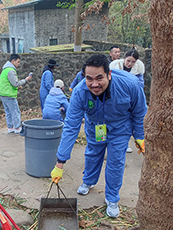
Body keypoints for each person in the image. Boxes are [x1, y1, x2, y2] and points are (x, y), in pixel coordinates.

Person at [50, 54, 147, 218]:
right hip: (96, 127)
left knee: (115, 162)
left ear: (109, 74)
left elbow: (139, 112)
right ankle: (88, 181)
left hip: (120, 128)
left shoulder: (130, 84)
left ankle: (112, 198)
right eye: (89, 78)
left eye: (99, 78)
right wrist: (60, 162)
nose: (94, 84)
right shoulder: (80, 92)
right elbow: (71, 126)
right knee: (93, 154)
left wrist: (139, 136)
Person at [110, 48, 145, 153]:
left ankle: (125, 143)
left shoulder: (138, 71)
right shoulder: (114, 68)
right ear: (124, 58)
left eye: (133, 62)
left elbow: (140, 86)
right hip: (117, 99)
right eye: (128, 61)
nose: (130, 64)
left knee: (128, 122)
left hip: (131, 100)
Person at [0, 54, 32, 134]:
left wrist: (17, 87)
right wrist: (26, 80)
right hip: (9, 95)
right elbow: (15, 83)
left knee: (8, 112)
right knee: (15, 111)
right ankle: (17, 128)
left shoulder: (5, 69)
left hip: (3, 93)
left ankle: (10, 127)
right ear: (13, 61)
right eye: (18, 62)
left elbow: (8, 83)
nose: (19, 64)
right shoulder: (11, 70)